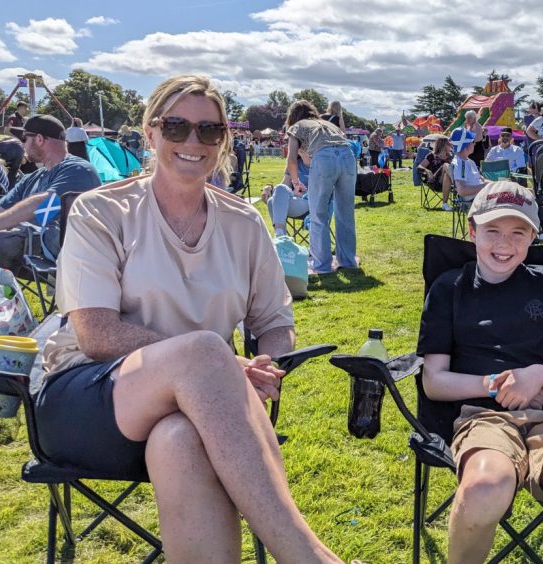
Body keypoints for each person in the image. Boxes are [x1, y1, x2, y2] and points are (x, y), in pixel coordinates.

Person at [33, 75, 342, 563]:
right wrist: (217, 365)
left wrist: (267, 364)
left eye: (209, 131)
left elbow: (274, 323)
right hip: (89, 396)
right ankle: (309, 556)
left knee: (179, 437)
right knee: (203, 350)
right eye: (176, 127)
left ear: (224, 140)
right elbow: (95, 335)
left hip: (203, 413)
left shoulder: (243, 222)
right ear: (151, 134)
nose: (193, 142)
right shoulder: (102, 211)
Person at [417, 181, 543, 563]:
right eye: (492, 231)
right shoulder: (450, 287)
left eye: (518, 232)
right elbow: (434, 381)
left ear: (533, 236)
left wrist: (535, 376)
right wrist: (498, 387)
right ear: (471, 232)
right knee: (486, 486)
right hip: (482, 417)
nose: (504, 244)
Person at [0, 115, 101, 270]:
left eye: (24, 139)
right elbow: (0, 208)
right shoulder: (33, 177)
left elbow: (43, 205)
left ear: (39, 139)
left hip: (54, 249)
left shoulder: (79, 170)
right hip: (27, 241)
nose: (22, 145)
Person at [285, 100, 357, 274]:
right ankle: (347, 261)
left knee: (317, 213)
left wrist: (295, 182)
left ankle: (321, 264)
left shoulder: (297, 127)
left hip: (324, 158)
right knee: (346, 213)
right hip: (348, 156)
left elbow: (291, 159)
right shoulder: (327, 124)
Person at [266, 102, 317, 237]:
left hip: (311, 204)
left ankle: (280, 238)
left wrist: (307, 161)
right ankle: (281, 236)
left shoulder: (319, 161)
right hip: (296, 202)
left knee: (274, 200)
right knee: (275, 196)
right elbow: (283, 186)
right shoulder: (294, 164)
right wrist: (269, 189)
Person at [450, 128, 490, 201]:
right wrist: (486, 186)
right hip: (476, 200)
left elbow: (481, 179)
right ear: (465, 146)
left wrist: (497, 184)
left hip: (483, 196)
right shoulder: (460, 164)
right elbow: (462, 191)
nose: (474, 144)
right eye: (473, 141)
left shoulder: (469, 161)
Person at [416, 136, 454, 209]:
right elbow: (420, 166)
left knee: (448, 172)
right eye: (449, 144)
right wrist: (428, 171)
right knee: (446, 165)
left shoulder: (451, 157)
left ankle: (445, 204)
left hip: (448, 181)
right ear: (443, 145)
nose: (451, 146)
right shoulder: (432, 155)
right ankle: (456, 184)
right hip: (435, 181)